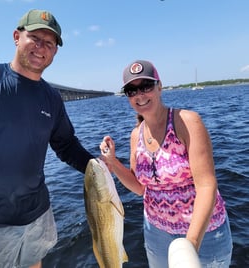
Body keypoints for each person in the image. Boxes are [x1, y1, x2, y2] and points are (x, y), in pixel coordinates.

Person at [0, 9, 94, 268]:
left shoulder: (51, 98)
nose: (41, 48)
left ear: (55, 51)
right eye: (35, 38)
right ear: (16, 37)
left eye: (49, 43)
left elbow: (66, 145)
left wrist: (96, 166)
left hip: (38, 215)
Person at [100, 60, 233, 267]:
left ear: (159, 87)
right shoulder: (136, 135)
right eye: (132, 90)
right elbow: (140, 188)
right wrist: (113, 162)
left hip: (204, 234)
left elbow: (207, 185)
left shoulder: (187, 121)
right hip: (156, 233)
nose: (140, 95)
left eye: (146, 86)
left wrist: (190, 244)